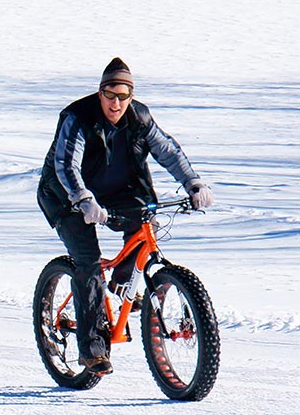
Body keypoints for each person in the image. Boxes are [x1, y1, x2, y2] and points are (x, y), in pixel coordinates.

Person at [36, 57, 214, 375]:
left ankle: (122, 288)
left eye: (123, 96)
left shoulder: (140, 118)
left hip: (117, 190)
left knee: (146, 224)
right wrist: (83, 199)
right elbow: (66, 166)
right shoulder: (77, 117)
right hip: (65, 195)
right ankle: (92, 350)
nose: (115, 103)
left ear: (131, 96)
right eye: (109, 94)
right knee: (88, 263)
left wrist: (193, 182)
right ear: (99, 92)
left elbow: (168, 152)